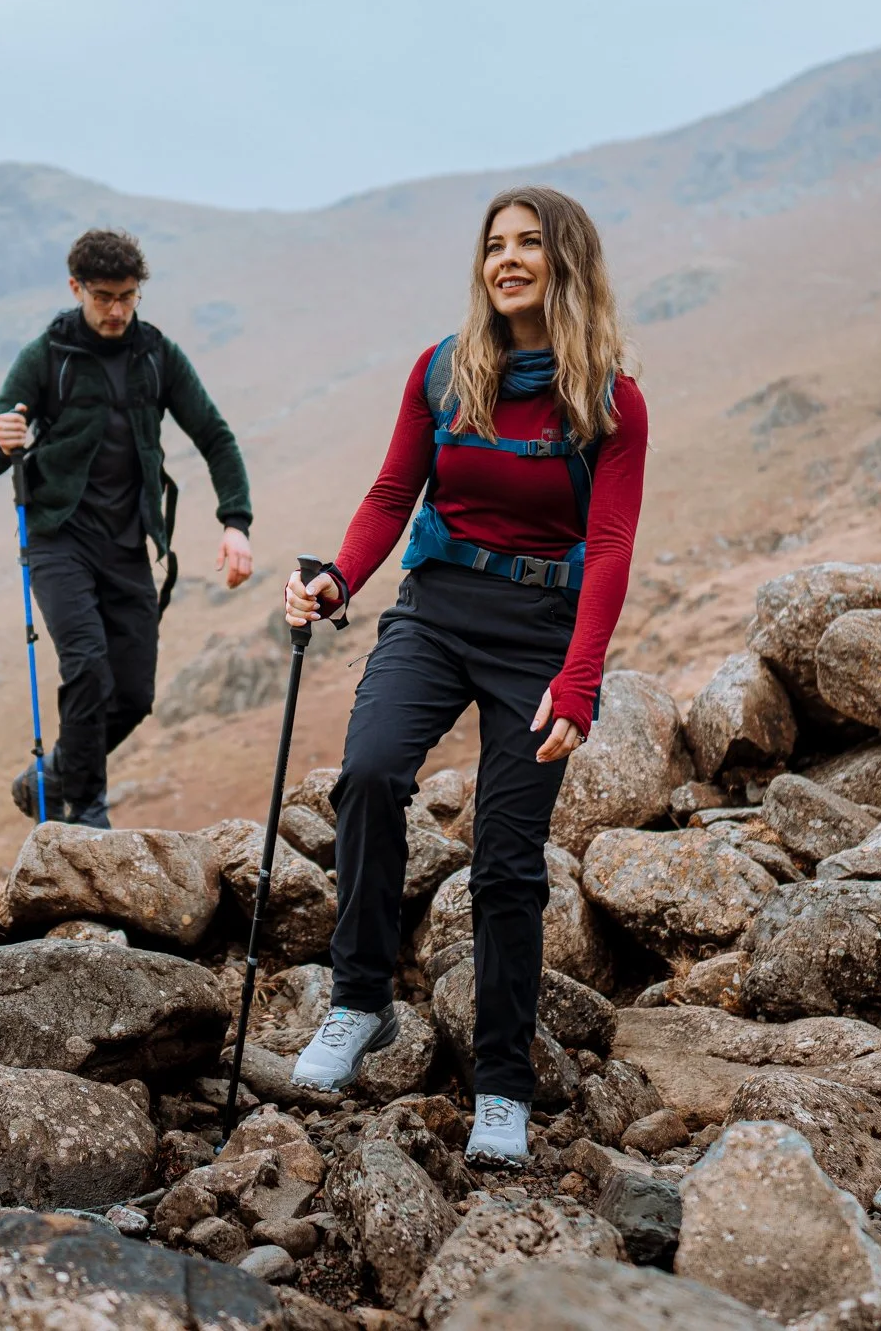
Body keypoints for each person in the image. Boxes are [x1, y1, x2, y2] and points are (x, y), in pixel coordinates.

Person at [283, 186, 647, 1165]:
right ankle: (357, 1003)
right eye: (495, 245)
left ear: (565, 261)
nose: (507, 259)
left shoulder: (608, 399)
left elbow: (607, 545)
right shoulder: (444, 371)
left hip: (537, 634)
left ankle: (500, 1085)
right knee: (366, 774)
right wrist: (334, 581)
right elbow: (392, 492)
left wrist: (578, 681)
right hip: (435, 610)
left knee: (505, 860)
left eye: (528, 244)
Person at [0, 229, 254, 827]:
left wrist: (235, 522)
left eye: (128, 296)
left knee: (134, 696)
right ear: (76, 288)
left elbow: (215, 437)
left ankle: (52, 778)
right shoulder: (48, 356)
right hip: (58, 540)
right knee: (88, 666)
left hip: (128, 545)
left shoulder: (156, 356)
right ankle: (86, 810)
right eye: (104, 297)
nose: (118, 310)